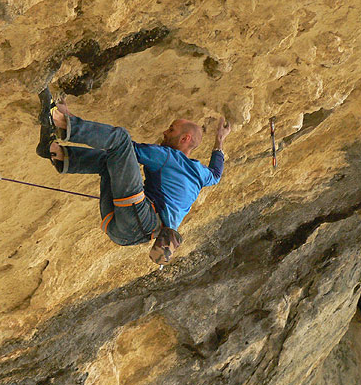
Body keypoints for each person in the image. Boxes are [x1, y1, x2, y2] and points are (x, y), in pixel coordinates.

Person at [36, 88, 231, 264]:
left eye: (171, 129)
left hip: (141, 218)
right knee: (110, 163)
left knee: (120, 139)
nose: (164, 132)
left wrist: (71, 118)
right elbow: (216, 174)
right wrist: (219, 140)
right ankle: (56, 153)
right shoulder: (201, 174)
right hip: (124, 233)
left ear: (185, 139)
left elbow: (125, 149)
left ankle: (57, 118)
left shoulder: (168, 157)